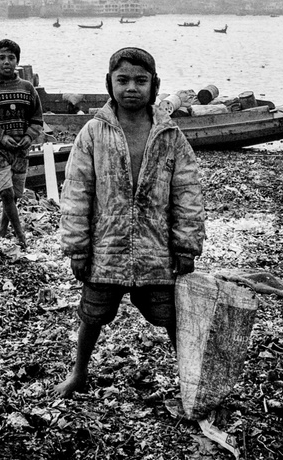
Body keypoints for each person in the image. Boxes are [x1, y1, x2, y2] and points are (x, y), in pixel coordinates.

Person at [54, 47, 205, 398]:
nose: (131, 88)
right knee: (91, 314)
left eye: (141, 80)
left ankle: (191, 380)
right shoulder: (93, 133)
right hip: (105, 247)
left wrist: (186, 245)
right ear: (109, 84)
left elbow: (188, 193)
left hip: (156, 249)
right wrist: (77, 247)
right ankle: (79, 373)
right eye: (122, 80)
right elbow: (76, 192)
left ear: (155, 85)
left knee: (172, 316)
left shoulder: (170, 136)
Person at [0, 39, 44, 246]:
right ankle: (21, 235)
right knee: (5, 193)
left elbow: (37, 118)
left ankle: (3, 229)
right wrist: (1, 136)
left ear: (17, 62)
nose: (6, 62)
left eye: (11, 58)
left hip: (21, 151)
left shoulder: (27, 88)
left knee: (14, 195)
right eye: (2, 57)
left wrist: (29, 136)